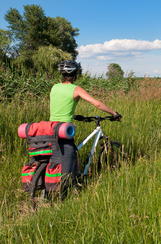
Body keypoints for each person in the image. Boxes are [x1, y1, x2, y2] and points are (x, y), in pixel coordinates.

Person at [50, 60, 121, 190]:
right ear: (75, 74)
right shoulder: (76, 89)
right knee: (70, 154)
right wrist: (113, 113)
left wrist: (74, 116)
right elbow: (97, 104)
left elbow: (61, 106)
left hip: (50, 128)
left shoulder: (54, 87)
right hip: (64, 129)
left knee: (58, 155)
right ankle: (70, 188)